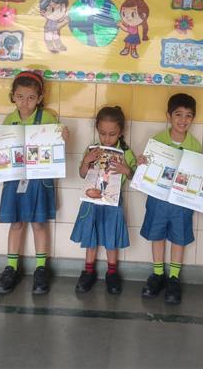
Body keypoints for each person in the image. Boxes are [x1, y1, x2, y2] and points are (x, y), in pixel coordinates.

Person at [0, 71, 69, 295]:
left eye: (31, 97)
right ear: (13, 96)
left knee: (39, 223)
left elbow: (57, 148)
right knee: (16, 223)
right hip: (14, 179)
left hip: (39, 180)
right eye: (20, 97)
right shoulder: (9, 120)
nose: (25, 102)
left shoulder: (48, 119)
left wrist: (64, 137)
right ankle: (11, 268)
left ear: (39, 98)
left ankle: (41, 268)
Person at [139, 93, 202, 304]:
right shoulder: (157, 141)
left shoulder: (195, 146)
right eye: (178, 114)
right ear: (168, 116)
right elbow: (147, 170)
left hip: (181, 203)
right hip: (158, 200)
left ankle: (174, 278)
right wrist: (142, 163)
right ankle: (158, 274)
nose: (183, 120)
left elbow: (198, 176)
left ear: (193, 118)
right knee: (157, 235)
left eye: (188, 115)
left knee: (179, 237)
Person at [71, 106, 137, 295]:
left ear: (121, 132)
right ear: (97, 129)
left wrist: (126, 170)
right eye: (102, 133)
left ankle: (112, 273)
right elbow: (82, 174)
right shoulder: (92, 150)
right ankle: (88, 271)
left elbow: (135, 177)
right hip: (91, 201)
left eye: (112, 134)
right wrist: (87, 161)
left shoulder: (126, 152)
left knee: (111, 236)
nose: (107, 138)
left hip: (113, 202)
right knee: (90, 235)